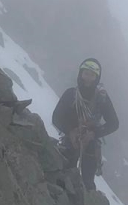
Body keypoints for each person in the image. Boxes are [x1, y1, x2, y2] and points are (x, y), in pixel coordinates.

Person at [51, 57, 119, 191]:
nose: (88, 78)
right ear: (80, 74)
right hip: (71, 141)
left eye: (92, 75)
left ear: (97, 78)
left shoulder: (101, 99)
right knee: (64, 178)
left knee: (87, 182)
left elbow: (114, 123)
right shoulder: (71, 94)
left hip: (89, 145)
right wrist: (71, 131)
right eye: (86, 74)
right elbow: (56, 117)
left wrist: (93, 134)